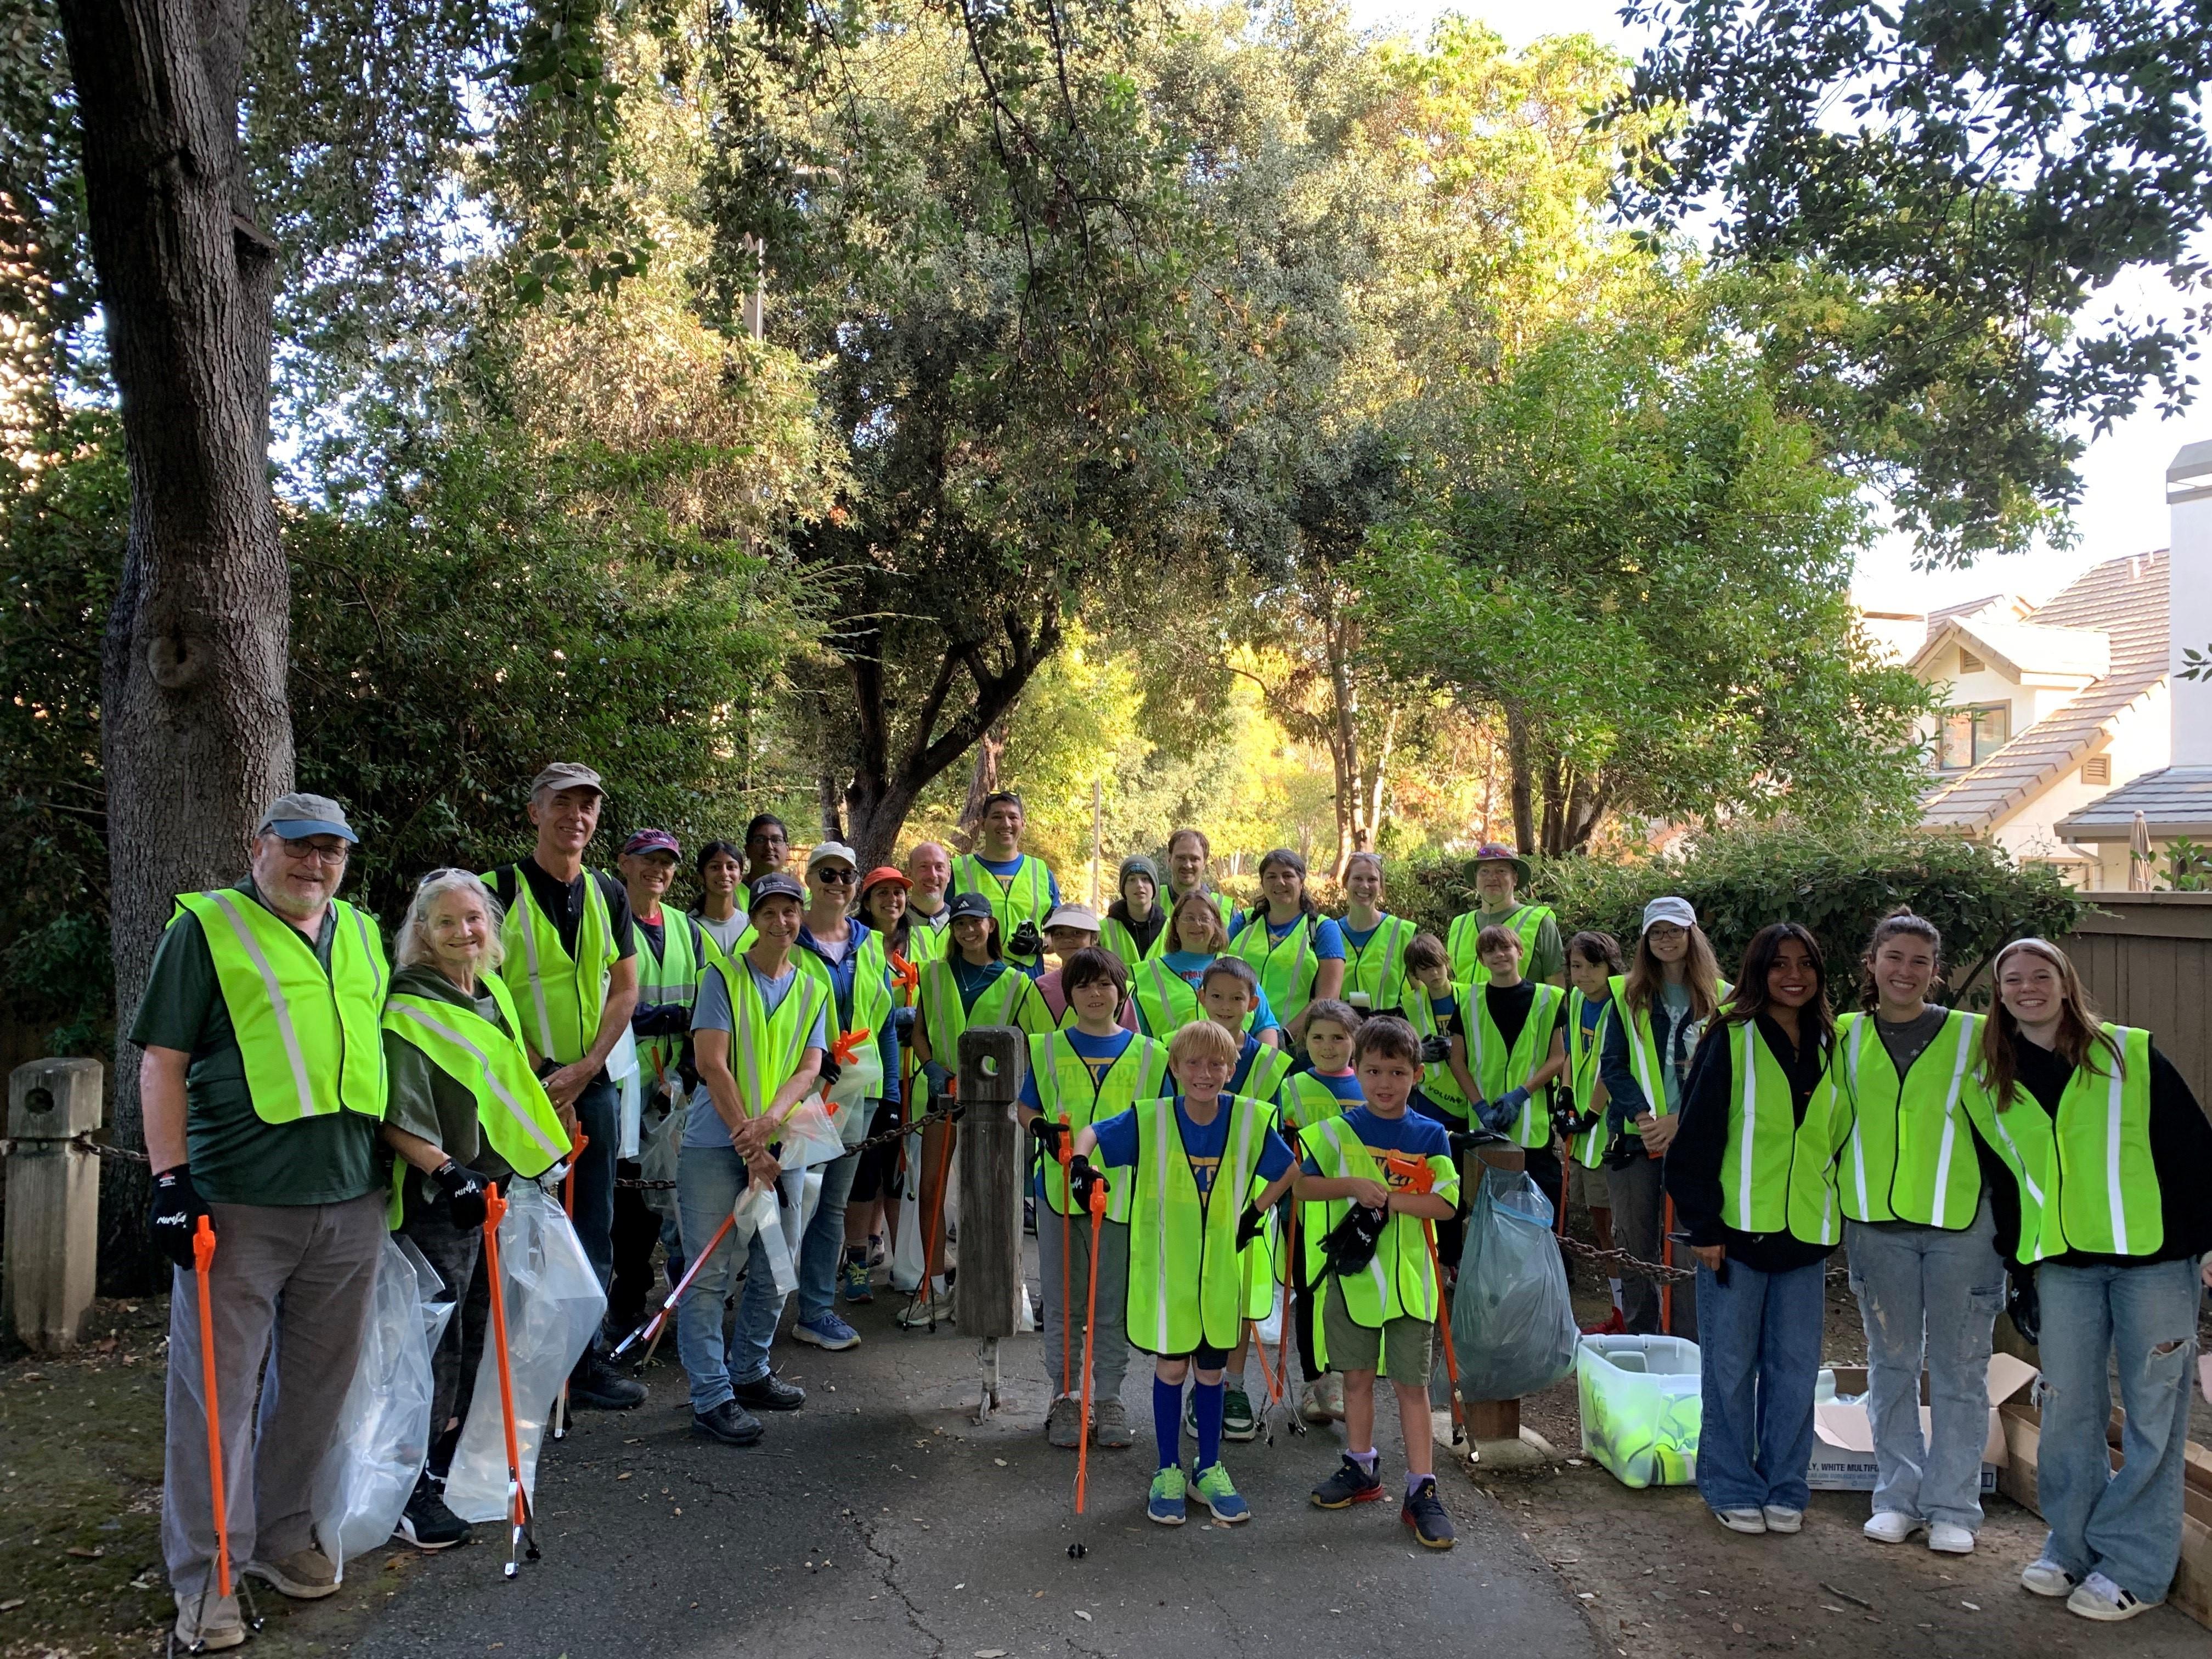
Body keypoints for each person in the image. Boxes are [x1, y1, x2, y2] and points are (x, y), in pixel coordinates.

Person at [135, 794, 391, 1649]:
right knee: (217, 1400)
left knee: (316, 1391)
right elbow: (162, 1063)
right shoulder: (206, 930)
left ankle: (282, 1538)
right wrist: (171, 1182)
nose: (314, 865)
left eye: (332, 852)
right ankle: (207, 1580)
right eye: (299, 848)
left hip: (350, 1200)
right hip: (239, 1205)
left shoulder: (358, 932)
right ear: (259, 847)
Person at [1968, 937, 2212, 1622]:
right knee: (2067, 1409)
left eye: (2040, 975)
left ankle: (2134, 1565)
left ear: (2065, 983)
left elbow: (2194, 1150)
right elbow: (2008, 1188)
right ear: (2001, 993)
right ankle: (2070, 1546)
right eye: (2012, 979)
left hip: (2154, 1263)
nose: (2027, 987)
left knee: (2153, 1414)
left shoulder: (2128, 1056)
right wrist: (2022, 1271)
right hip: (2065, 1267)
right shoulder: (1993, 1081)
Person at [378, 869, 571, 1553]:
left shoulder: (490, 995)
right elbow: (392, 1115)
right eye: (448, 922)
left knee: (485, 1332)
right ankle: (413, 1489)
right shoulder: (409, 1008)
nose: (465, 931)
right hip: (442, 1201)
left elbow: (510, 1087)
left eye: (475, 919)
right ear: (422, 935)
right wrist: (447, 1171)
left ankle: (454, 1458)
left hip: (498, 1193)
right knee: (439, 1340)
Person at [1069, 1018, 1299, 1528]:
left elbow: (1289, 1168)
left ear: (1232, 1068)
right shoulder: (1150, 1118)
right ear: (1174, 1068)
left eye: (1216, 1063)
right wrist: (1081, 1165)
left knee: (1212, 1373)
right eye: (1192, 1063)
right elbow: (1091, 1132)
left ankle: (1209, 1468)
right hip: (1168, 1274)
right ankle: (1167, 1470)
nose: (1204, 1072)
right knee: (1173, 1370)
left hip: (1220, 1273)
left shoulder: (1248, 1119)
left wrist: (1255, 1212)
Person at [1663, 922, 1848, 1538]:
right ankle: (1730, 1483)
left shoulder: (1836, 1042)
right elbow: (1695, 1138)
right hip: (1735, 1235)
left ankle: (1785, 1483)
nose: (1793, 976)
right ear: (1758, 972)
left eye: (1805, 964)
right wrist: (1704, 1225)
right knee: (1730, 1367)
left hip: (1806, 1233)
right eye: (1779, 965)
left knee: (1796, 1370)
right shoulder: (1732, 1038)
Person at [1830, 911, 1998, 1556]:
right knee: (1891, 1364)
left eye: (1919, 961)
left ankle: (1954, 1506)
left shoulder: (1973, 1037)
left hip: (1962, 1227)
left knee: (1961, 1369)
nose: (1905, 971)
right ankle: (1897, 1496)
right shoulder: (1844, 1034)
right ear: (1871, 963)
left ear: (1936, 971)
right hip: (1876, 1226)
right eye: (1893, 957)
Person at [483, 762, 645, 1410]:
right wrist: (543, 1075)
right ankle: (521, 1362)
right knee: (522, 1226)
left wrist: (584, 1069)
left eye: (587, 806)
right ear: (534, 812)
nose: (575, 817)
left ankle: (586, 1361)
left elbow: (625, 987)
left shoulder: (609, 893)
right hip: (520, 1092)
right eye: (562, 804)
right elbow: (481, 992)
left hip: (592, 1085)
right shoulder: (497, 890)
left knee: (592, 1224)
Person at [677, 871, 829, 1446]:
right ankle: (711, 1394)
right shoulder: (723, 976)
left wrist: (769, 1128)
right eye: (770, 911)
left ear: (801, 916)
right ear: (754, 914)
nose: (781, 921)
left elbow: (810, 1067)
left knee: (776, 1264)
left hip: (784, 1142)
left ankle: (750, 1369)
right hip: (718, 1146)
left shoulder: (811, 987)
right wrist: (748, 1137)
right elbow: (711, 1062)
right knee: (709, 1273)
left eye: (791, 910)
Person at [1301, 1014, 1462, 1550]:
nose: (1384, 1083)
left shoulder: (1430, 1133)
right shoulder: (1339, 1131)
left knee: (1412, 1388)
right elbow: (1302, 1186)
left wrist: (1388, 1198)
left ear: (1416, 1074)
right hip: (1353, 1284)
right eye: (1373, 1071)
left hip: (1411, 1285)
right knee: (1356, 1381)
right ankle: (1362, 1467)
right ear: (1359, 1070)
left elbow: (1445, 1203)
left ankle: (1422, 1488)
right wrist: (1350, 1184)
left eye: (1396, 1072)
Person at [1017, 947, 1171, 1452]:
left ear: (1120, 991)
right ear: (1069, 993)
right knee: (1062, 1304)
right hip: (1060, 1193)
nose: (1094, 994)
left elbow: (1163, 1119)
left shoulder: (1152, 1054)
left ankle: (1108, 1399)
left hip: (1122, 1197)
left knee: (1110, 1306)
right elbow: (1027, 1106)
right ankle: (1065, 1397)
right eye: (1083, 985)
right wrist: (1037, 1126)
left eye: (1105, 984)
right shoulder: (1047, 1049)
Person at [904, 889, 1052, 1326]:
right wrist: (930, 1064)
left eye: (976, 922)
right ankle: (931, 1289)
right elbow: (919, 1033)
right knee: (931, 1189)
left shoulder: (1017, 983)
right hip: (941, 1098)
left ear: (992, 926)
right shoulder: (932, 975)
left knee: (990, 1196)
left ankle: (990, 1286)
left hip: (994, 1106)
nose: (969, 930)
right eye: (961, 923)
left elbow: (1035, 1041)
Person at [1599, 895, 1728, 1338]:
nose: (1666, 939)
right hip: (1636, 1140)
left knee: (1691, 1249)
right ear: (1645, 940)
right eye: (1657, 932)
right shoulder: (1627, 994)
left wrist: (1680, 1121)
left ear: (1692, 935)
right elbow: (1612, 1064)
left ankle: (1689, 1344)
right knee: (1635, 1245)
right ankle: (1643, 1340)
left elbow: (1723, 1075)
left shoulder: (1724, 999)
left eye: (1674, 930)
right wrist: (1643, 1117)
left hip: (1693, 1142)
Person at [789, 842, 899, 1350]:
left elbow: (886, 1025)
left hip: (861, 1090)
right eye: (828, 874)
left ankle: (814, 1310)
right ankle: (766, 1306)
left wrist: (891, 1090)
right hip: (803, 1090)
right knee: (794, 1200)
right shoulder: (787, 936)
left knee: (832, 1205)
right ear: (810, 879)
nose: (838, 883)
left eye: (847, 876)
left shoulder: (871, 944)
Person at [611, 828, 707, 1342]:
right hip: (624, 1082)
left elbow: (706, 996)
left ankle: (678, 1302)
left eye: (667, 863)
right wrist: (667, 1017)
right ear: (625, 864)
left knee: (676, 1198)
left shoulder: (685, 929)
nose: (659, 871)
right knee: (628, 1210)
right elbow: (607, 1001)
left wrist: (691, 1059)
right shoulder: (607, 921)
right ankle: (623, 1308)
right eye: (648, 860)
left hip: (674, 1087)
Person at [1276, 998, 1365, 1426]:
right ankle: (1317, 1382)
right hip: (1306, 1208)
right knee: (1309, 1294)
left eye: (1338, 1038)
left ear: (1355, 1041)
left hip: (1359, 1211)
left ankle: (1352, 1377)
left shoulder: (1371, 1084)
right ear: (1304, 1043)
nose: (1328, 1047)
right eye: (1317, 1038)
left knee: (1351, 1295)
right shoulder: (1291, 1086)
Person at [1463, 925, 1569, 1209]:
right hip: (1485, 1123)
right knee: (1487, 1206)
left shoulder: (1549, 998)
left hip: (1533, 1122)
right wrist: (1479, 1106)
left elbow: (1559, 1057)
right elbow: (1457, 1061)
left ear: (1520, 952)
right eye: (1489, 951)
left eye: (1505, 948)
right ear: (1481, 960)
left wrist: (1521, 1094)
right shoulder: (1468, 1000)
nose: (1499, 955)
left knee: (1544, 1203)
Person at [846, 865, 916, 1295]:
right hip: (868, 1078)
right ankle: (856, 1261)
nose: (893, 900)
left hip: (916, 1079)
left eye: (899, 893)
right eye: (883, 893)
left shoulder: (922, 942)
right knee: (864, 1173)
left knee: (899, 1173)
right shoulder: (859, 945)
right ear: (867, 901)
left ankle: (904, 1263)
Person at [1559, 931, 1626, 1323]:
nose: (1583, 975)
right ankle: (1620, 1309)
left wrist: (1594, 1113)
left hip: (1610, 1132)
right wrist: (1566, 1096)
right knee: (1601, 1228)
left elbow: (1614, 1062)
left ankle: (1635, 1310)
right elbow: (1572, 1053)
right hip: (1583, 1134)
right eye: (1576, 967)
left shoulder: (1621, 1004)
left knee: (1621, 1232)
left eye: (1593, 966)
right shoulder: (1577, 1001)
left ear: (1610, 966)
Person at [1130, 891, 1285, 1042]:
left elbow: (1265, 1026)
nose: (1197, 924)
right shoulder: (1145, 975)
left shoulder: (1238, 968)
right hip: (1172, 1066)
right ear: (1176, 923)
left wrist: (1263, 1066)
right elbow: (1136, 1038)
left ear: (1216, 924)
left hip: (1239, 1065)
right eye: (1189, 918)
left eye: (1205, 918)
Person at [1228, 848, 1346, 1045]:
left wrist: (1284, 1038)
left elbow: (1327, 998)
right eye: (1271, 876)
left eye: (1287, 876)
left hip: (1293, 1045)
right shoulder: (1244, 921)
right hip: (1236, 1041)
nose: (1279, 882)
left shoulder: (1323, 929)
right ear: (1263, 883)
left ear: (1301, 882)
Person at [949, 791, 1060, 976]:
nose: (1006, 824)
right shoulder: (958, 870)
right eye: (997, 816)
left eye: (1013, 817)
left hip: (1027, 979)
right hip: (971, 978)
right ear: (983, 824)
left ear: (1023, 824)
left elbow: (1061, 933)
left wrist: (1042, 944)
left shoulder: (1041, 872)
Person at [1444, 843, 1564, 989]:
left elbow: (1557, 990)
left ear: (1515, 879)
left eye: (1501, 871)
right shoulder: (1459, 926)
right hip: (1469, 1012)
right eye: (1484, 872)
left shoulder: (1540, 922)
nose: (1492, 878)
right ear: (1476, 878)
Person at [1036, 903, 1137, 1030]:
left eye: (1077, 933)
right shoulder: (1039, 987)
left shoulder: (1118, 987)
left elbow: (1131, 1041)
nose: (1067, 940)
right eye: (1059, 934)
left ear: (1094, 938)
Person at [1337, 853, 1412, 1016]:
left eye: (1372, 880)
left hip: (1389, 1033)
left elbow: (1423, 991)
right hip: (1343, 1034)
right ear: (1345, 882)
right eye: (1358, 878)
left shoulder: (1403, 932)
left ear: (1381, 887)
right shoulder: (1330, 933)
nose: (1365, 886)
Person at [1098, 855, 1170, 968]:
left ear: (1154, 887)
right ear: (1124, 889)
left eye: (1145, 879)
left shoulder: (1171, 928)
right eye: (1132, 880)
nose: (1139, 885)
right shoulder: (1104, 929)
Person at [691, 839, 750, 963]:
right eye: (715, 867)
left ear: (740, 877)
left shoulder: (753, 926)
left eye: (731, 867)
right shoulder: (686, 927)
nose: (724, 873)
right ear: (701, 877)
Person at [1163, 827, 1235, 924]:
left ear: (1204, 863)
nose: (1187, 865)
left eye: (1194, 859)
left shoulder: (1226, 909)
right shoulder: (1151, 900)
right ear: (1169, 859)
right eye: (1181, 858)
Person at [901, 840, 955, 970]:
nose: (933, 875)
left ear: (948, 875)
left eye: (939, 867)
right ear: (909, 874)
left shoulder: (960, 923)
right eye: (924, 867)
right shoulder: (892, 922)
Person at [740, 813, 791, 899]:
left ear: (787, 850)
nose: (769, 847)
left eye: (777, 840)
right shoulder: (729, 891)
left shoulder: (800, 894)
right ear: (747, 850)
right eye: (760, 840)